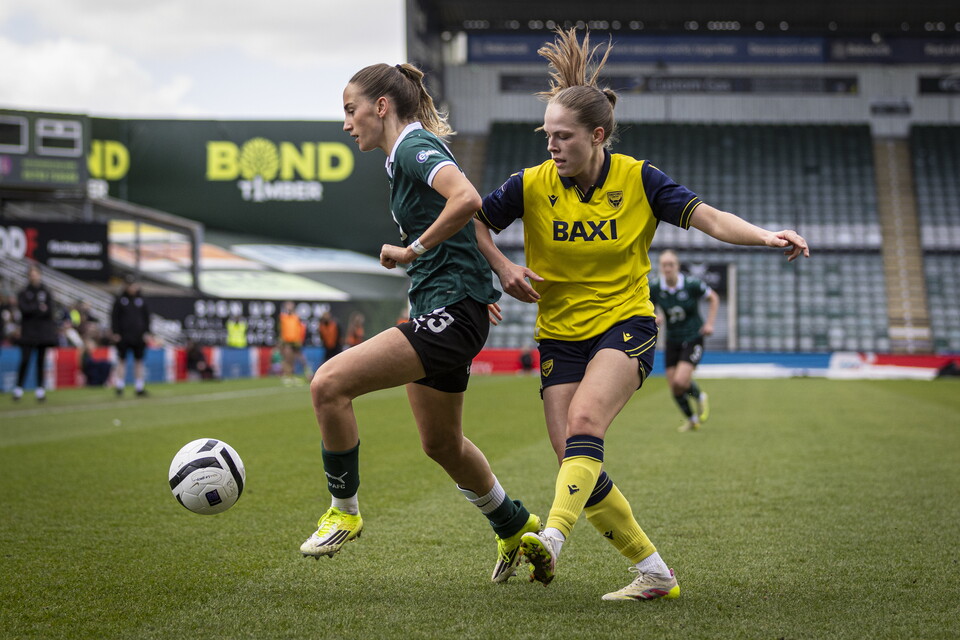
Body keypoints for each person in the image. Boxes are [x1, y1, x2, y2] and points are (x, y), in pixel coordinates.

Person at [474, 28, 809, 601]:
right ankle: (655, 573)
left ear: (597, 135)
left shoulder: (639, 179)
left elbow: (709, 218)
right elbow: (472, 219)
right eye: (546, 135)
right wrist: (499, 268)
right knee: (572, 461)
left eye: (563, 136)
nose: (551, 145)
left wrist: (766, 236)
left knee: (584, 427)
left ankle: (550, 539)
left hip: (625, 323)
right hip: (558, 334)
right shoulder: (529, 185)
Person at [299, 61, 540, 584]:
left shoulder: (411, 146)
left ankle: (344, 510)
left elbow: (468, 198)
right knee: (441, 444)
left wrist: (414, 250)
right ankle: (515, 526)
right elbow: (470, 217)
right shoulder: (402, 156)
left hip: (450, 314)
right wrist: (491, 272)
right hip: (451, 307)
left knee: (328, 385)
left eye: (349, 109)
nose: (345, 123)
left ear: (380, 106)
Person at [650, 250, 719, 432]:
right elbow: (646, 304)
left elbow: (714, 298)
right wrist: (655, 314)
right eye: (664, 265)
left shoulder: (691, 284)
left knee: (681, 381)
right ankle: (692, 419)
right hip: (672, 339)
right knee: (674, 387)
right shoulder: (656, 287)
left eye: (671, 265)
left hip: (692, 337)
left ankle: (698, 395)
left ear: (677, 266)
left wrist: (710, 323)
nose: (667, 269)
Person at [12, 264, 58, 402]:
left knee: (40, 361)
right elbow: (24, 309)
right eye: (31, 273)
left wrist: (35, 310)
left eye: (36, 273)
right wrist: (38, 308)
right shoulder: (24, 292)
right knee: (25, 360)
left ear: (39, 274)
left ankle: (40, 390)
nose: (33, 275)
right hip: (28, 333)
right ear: (28, 275)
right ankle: (18, 389)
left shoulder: (46, 291)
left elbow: (50, 311)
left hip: (43, 333)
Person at [111, 275, 151, 397]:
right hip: (124, 336)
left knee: (139, 361)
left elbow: (147, 318)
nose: (131, 287)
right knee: (122, 360)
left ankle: (139, 387)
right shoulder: (120, 300)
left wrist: (147, 332)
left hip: (138, 336)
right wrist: (116, 332)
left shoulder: (141, 300)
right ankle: (119, 386)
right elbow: (114, 317)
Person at [278, 301, 309, 385]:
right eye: (287, 306)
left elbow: (301, 329)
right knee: (288, 359)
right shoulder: (283, 317)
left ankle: (307, 373)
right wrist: (281, 341)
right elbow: (281, 330)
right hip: (287, 341)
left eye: (290, 306)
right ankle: (288, 376)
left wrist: (300, 339)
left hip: (296, 341)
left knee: (300, 358)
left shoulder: (297, 317)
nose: (289, 307)